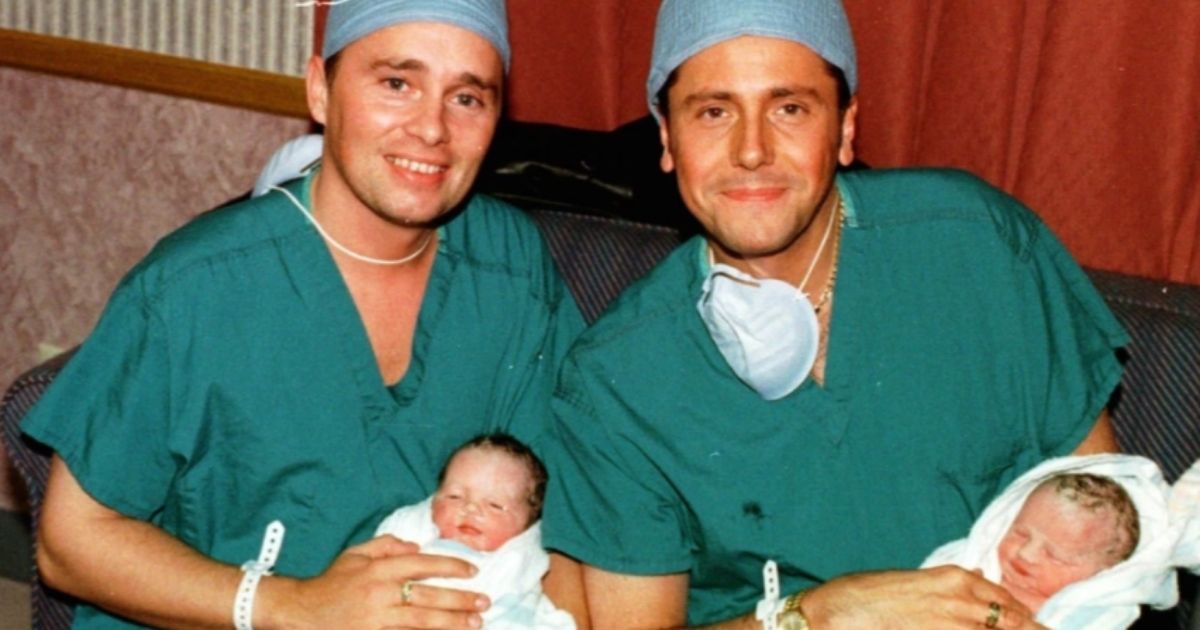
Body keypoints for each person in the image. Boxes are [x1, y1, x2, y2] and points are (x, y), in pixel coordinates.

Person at [538, 0, 1127, 628]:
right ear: (666, 138)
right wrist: (818, 617)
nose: (752, 150)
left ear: (845, 128)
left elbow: (1111, 531)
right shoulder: (617, 380)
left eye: (789, 108)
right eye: (714, 111)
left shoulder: (979, 246)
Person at [21, 1, 584, 628]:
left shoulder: (510, 266)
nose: (432, 128)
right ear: (320, 90)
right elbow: (71, 544)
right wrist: (292, 606)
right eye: (397, 83)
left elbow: (566, 506)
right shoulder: (196, 287)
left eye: (467, 98)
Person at [924, 454, 1198, 630]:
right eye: (1020, 533)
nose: (1027, 554)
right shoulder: (969, 564)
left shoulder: (1092, 612)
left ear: (1102, 577)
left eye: (1056, 556)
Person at [374, 433, 575, 629]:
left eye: (495, 505)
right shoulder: (411, 539)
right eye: (454, 496)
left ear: (526, 527)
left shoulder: (518, 568)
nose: (470, 508)